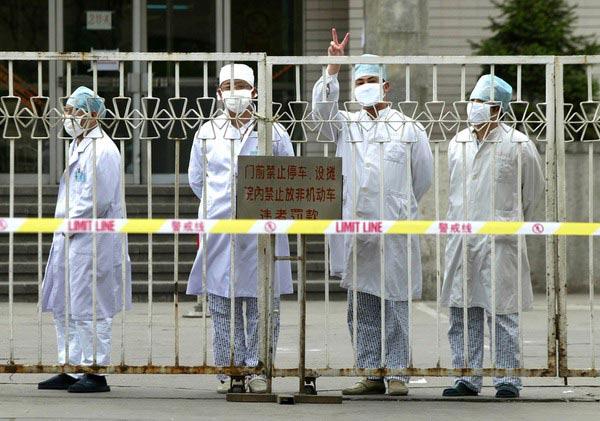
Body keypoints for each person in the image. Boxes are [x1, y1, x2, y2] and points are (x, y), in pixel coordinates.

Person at [312, 29, 433, 396]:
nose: (365, 87)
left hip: (393, 230)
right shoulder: (346, 124)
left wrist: (395, 205)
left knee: (394, 304)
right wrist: (332, 70)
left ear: (386, 87)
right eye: (360, 82)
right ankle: (371, 372)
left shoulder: (408, 129)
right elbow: (320, 114)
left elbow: (422, 178)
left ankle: (397, 374)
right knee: (361, 305)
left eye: (371, 81)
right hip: (356, 230)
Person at [187, 63, 294, 394]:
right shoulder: (207, 132)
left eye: (242, 85)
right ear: (219, 93)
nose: (235, 92)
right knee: (223, 304)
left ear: (255, 91)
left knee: (264, 305)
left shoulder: (273, 131)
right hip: (221, 227)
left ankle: (258, 369)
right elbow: (197, 179)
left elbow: (290, 174)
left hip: (262, 228)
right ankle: (230, 370)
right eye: (228, 86)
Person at [440, 75, 544, 398]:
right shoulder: (457, 143)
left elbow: (533, 193)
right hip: (462, 239)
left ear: (497, 108)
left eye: (481, 102)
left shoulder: (519, 145)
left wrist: (511, 221)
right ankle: (466, 378)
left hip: (501, 242)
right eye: (472, 101)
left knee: (503, 312)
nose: (474, 107)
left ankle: (508, 379)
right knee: (462, 310)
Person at [38, 86, 132, 393]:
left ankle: (95, 370)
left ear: (93, 114)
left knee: (90, 305)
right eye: (67, 110)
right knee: (65, 303)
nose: (69, 117)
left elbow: (98, 200)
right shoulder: (77, 145)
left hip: (92, 239)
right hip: (70, 236)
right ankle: (71, 366)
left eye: (75, 111)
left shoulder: (104, 150)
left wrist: (69, 223)